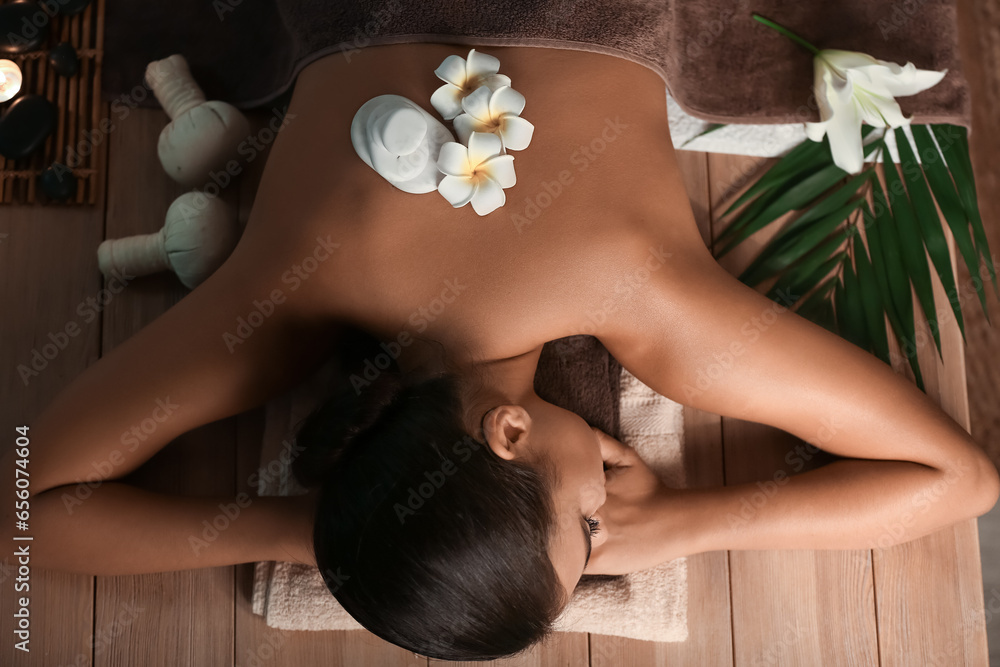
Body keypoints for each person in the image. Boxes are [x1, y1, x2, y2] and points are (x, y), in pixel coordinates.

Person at [8, 43, 998, 662]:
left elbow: (956, 480)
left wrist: (698, 522)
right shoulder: (280, 301)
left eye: (585, 521)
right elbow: (24, 513)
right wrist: (307, 530)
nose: (613, 512)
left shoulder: (654, 306)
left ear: (511, 430)